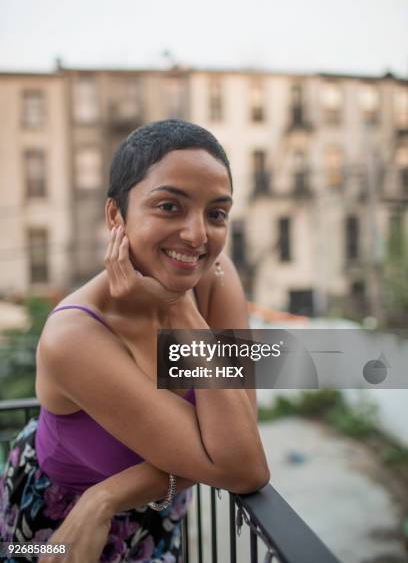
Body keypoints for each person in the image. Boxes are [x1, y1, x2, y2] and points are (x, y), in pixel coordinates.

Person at [0, 119, 270, 563]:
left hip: (143, 515)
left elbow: (240, 447)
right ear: (115, 216)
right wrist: (93, 503)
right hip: (58, 524)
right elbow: (238, 465)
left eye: (216, 213)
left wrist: (178, 307)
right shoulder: (74, 336)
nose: (198, 234)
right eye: (169, 206)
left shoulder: (216, 279)